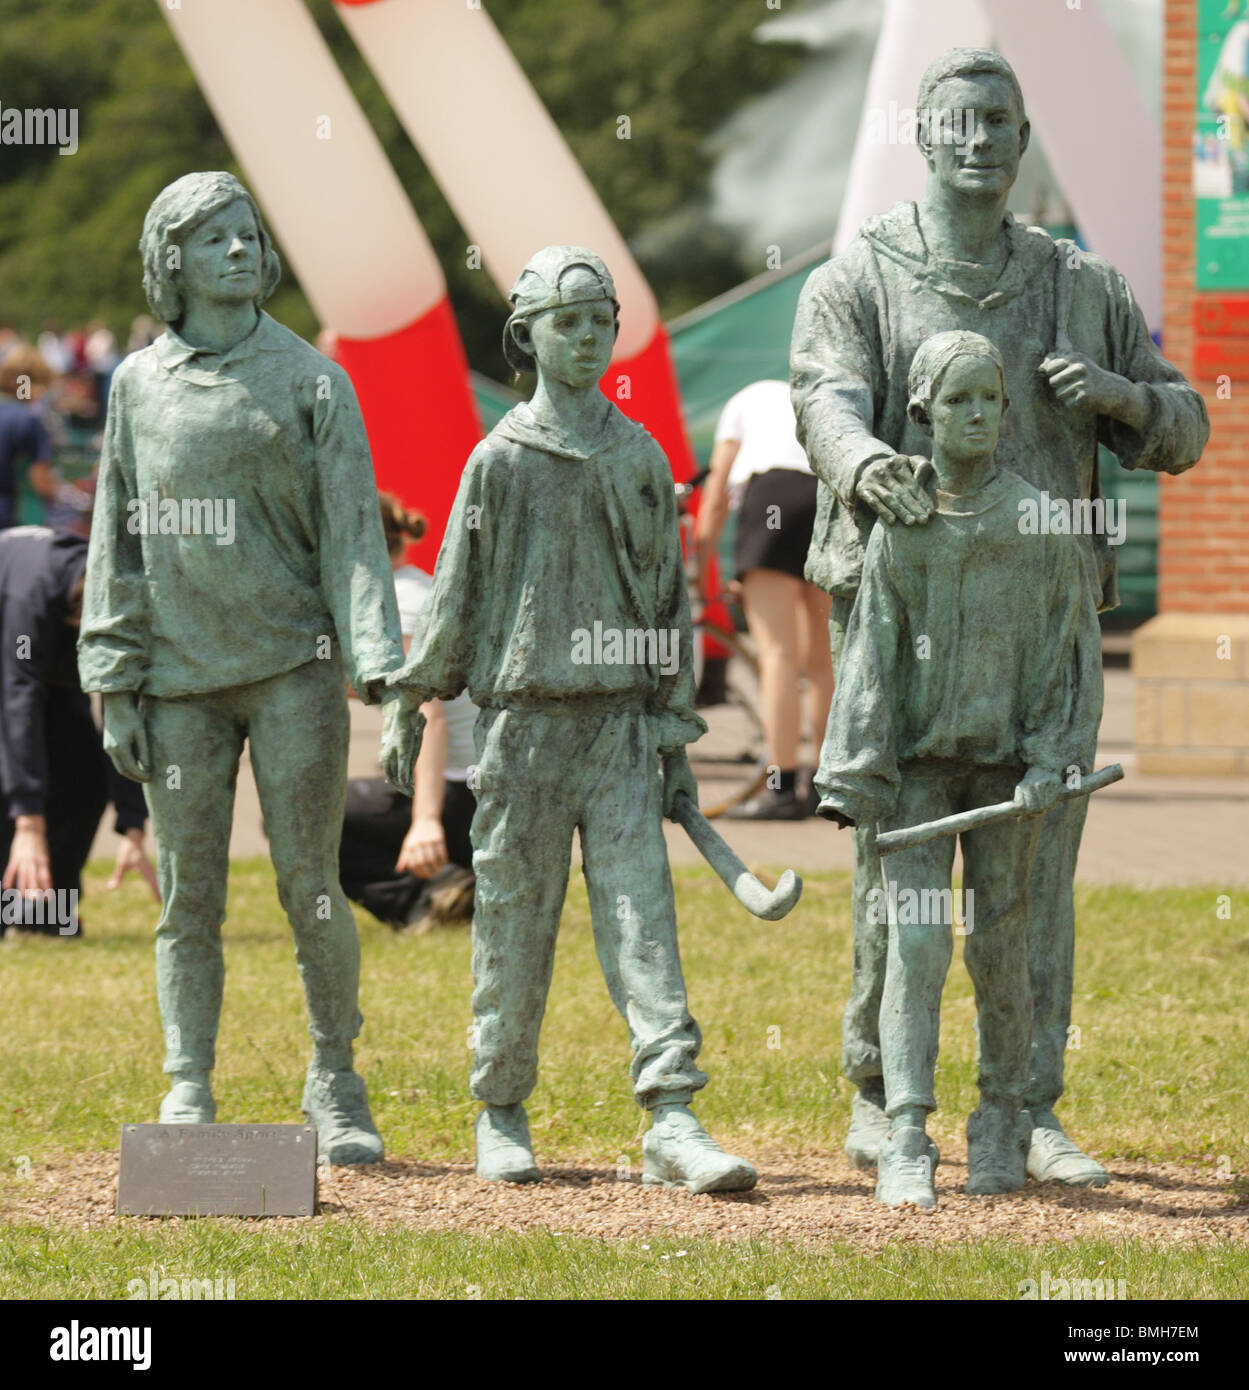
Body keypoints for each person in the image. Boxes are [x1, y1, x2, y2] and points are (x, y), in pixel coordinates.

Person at [791, 47, 1209, 1186]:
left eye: (998, 123)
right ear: (921, 137)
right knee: (903, 870)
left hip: (1045, 624)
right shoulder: (858, 277)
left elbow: (1183, 424)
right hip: (905, 603)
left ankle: (1026, 1105)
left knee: (1030, 881)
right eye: (956, 121)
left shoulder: (1082, 285)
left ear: (1024, 143)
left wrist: (1122, 398)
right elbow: (821, 393)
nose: (977, 140)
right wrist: (866, 459)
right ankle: (886, 1098)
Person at [383, 245, 757, 1193]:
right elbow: (457, 596)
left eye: (600, 321)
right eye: (566, 321)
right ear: (526, 336)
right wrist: (414, 695)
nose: (586, 338)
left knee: (642, 923)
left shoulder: (638, 457)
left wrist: (672, 726)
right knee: (514, 922)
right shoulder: (496, 461)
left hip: (621, 734)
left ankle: (671, 1113)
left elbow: (666, 604)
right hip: (523, 731)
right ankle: (500, 1108)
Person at [77, 172, 404, 1164]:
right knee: (189, 895)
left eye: (249, 234)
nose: (239, 251)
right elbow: (115, 537)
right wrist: (113, 671)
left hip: (291, 668)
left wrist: (380, 671)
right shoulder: (137, 384)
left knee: (310, 884)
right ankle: (188, 1079)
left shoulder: (314, 380)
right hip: (178, 680)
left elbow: (356, 538)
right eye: (216, 237)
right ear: (170, 258)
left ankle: (335, 1079)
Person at [818, 332, 1102, 1206]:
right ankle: (906, 1127)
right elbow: (870, 655)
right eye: (956, 402)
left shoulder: (1039, 522)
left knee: (1001, 946)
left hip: (1004, 779)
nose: (976, 414)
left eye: (989, 398)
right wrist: (857, 770)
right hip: (914, 778)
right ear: (922, 415)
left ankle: (1001, 1119)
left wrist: (1053, 756)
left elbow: (1070, 655)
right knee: (916, 944)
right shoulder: (901, 531)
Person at [1, 524, 156, 936]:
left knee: (85, 779)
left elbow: (125, 705)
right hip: (14, 662)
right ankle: (9, 908)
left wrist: (133, 819)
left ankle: (41, 914)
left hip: (52, 678)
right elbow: (19, 698)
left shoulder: (115, 592)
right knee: (13, 786)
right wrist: (28, 819)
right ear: (76, 620)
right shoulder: (31, 597)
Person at [696, 380, 834, 819]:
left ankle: (778, 787)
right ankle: (823, 787)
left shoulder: (743, 398)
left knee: (776, 655)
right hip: (827, 499)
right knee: (822, 661)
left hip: (773, 497)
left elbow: (716, 492)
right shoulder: (817, 394)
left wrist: (701, 568)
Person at [338, 493, 476, 932]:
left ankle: (427, 899)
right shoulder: (421, 587)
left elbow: (425, 716)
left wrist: (426, 823)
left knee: (308, 812)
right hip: (485, 793)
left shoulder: (394, 605)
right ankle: (452, 883)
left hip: (458, 802)